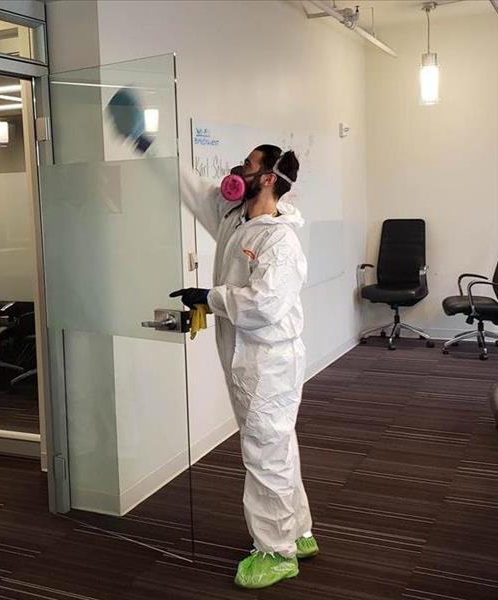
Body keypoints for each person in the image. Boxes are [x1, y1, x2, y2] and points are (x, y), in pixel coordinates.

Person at [172, 145, 318, 589]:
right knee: (276, 445)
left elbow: (265, 304)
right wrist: (150, 145)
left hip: (268, 360)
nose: (237, 172)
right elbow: (197, 191)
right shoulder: (236, 219)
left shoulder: (280, 240)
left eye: (248, 166)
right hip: (248, 358)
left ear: (269, 179)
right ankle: (299, 530)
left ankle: (276, 551)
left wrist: (210, 297)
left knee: (264, 453)